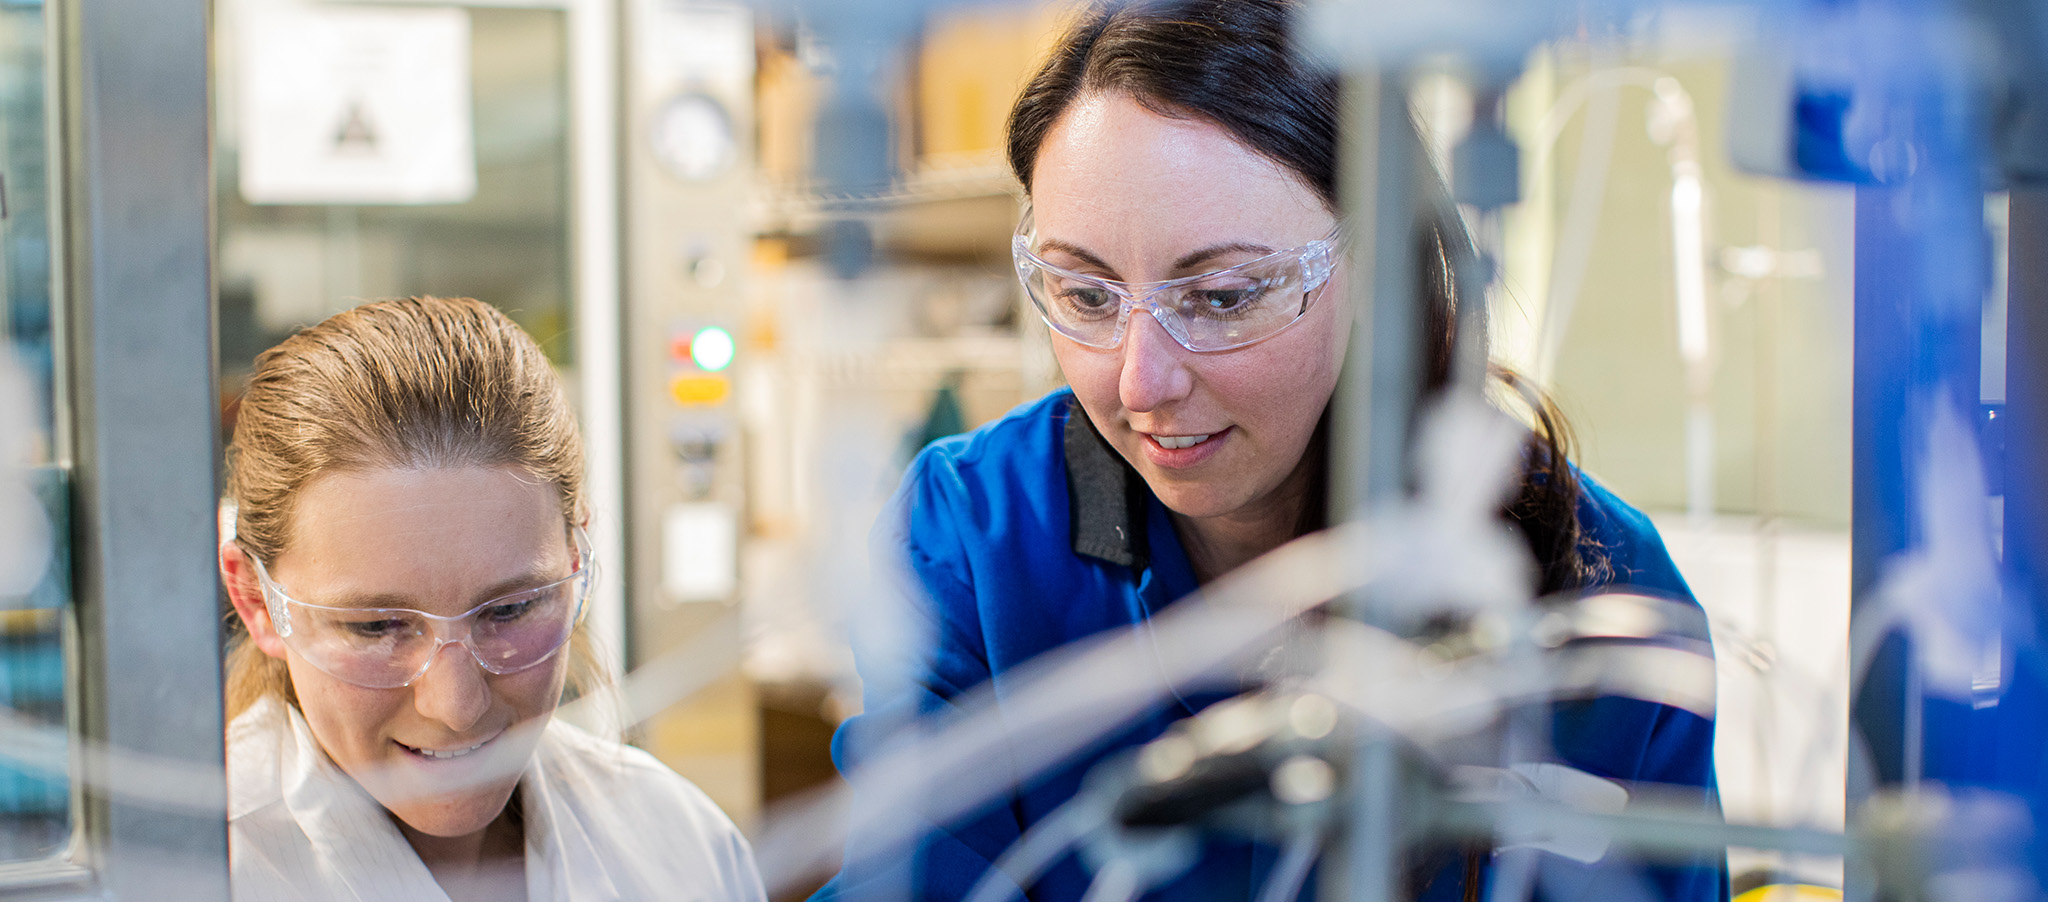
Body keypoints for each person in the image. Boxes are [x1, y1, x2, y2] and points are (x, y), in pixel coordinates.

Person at [817, 2, 1728, 900]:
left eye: (1221, 296)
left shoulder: (1600, 595)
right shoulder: (975, 537)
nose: (1139, 384)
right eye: (1087, 294)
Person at [218, 296, 766, 902]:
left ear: (576, 560)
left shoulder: (676, 842)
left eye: (509, 610)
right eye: (377, 627)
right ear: (256, 600)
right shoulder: (194, 869)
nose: (457, 705)